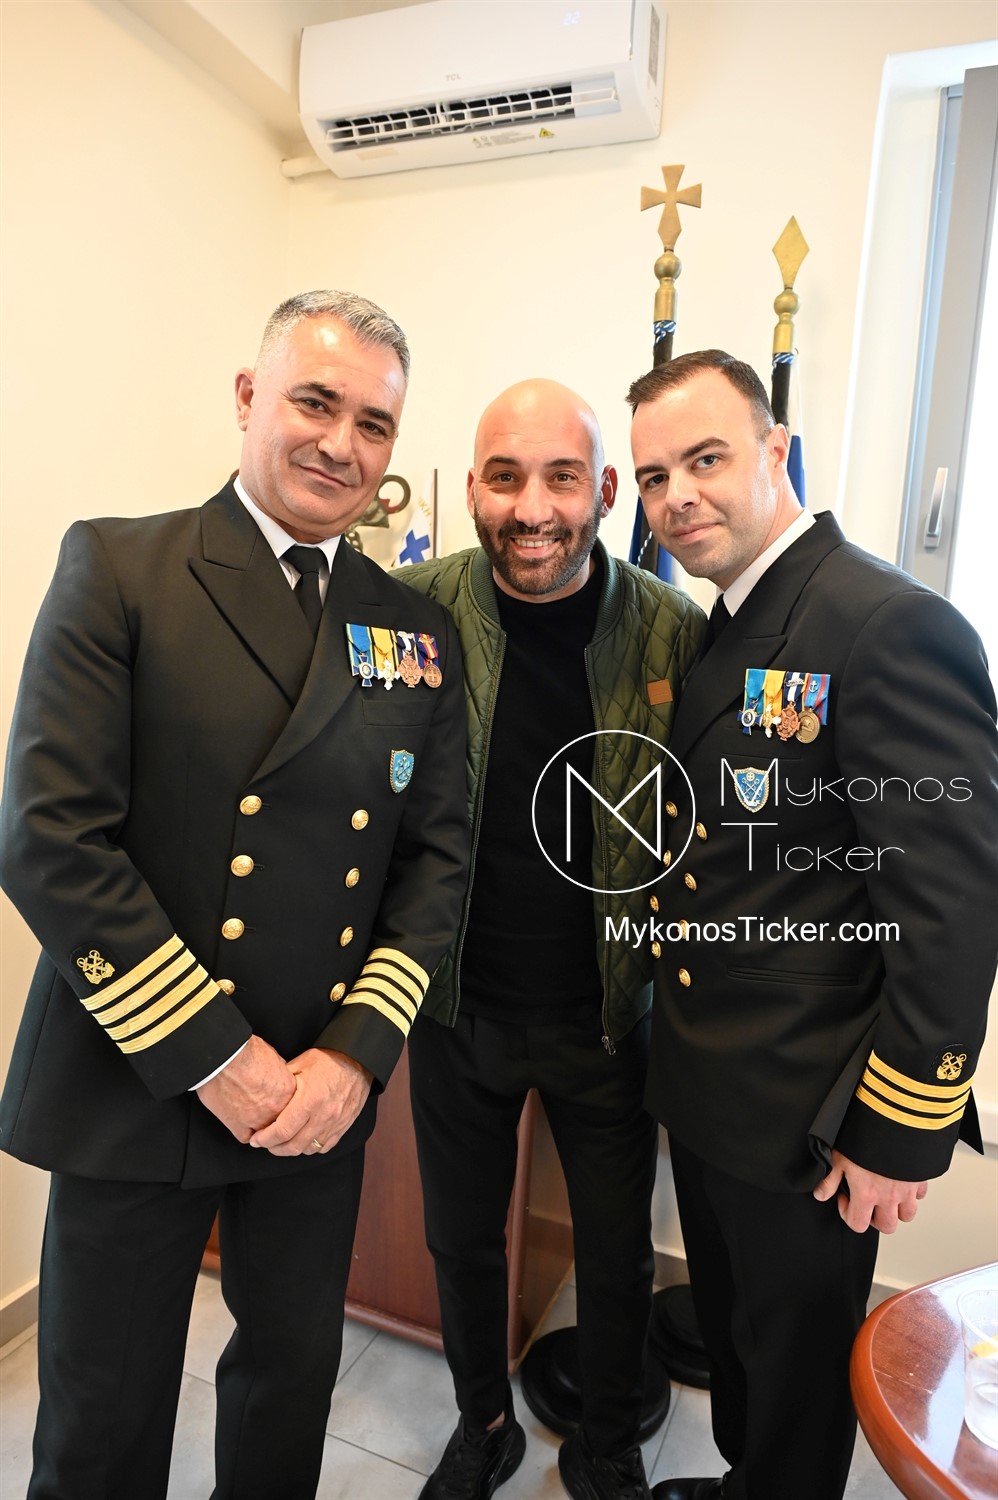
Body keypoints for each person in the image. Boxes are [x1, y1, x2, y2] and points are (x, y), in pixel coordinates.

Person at [0, 289, 469, 1500]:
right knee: (104, 1421)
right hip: (141, 1072)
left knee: (288, 1390)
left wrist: (355, 1058)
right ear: (250, 397)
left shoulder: (411, 630)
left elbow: (434, 862)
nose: (341, 444)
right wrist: (217, 1055)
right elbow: (50, 837)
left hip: (313, 1092)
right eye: (315, 402)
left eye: (373, 424)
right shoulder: (125, 566)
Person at [626, 349, 998, 1500]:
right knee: (742, 1349)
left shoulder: (881, 625)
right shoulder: (727, 623)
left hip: (812, 1115)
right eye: (652, 476)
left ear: (773, 451)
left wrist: (895, 1129)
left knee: (792, 1379)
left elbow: (948, 906)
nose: (676, 496)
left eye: (703, 459)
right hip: (712, 1084)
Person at [403, 379, 705, 1500]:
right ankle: (481, 1424)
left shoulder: (672, 630)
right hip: (454, 1008)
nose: (532, 509)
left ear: (606, 489)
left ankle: (607, 1443)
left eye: (561, 478)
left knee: (616, 1252)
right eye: (504, 477)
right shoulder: (411, 612)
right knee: (460, 1241)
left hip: (607, 1017)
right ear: (473, 489)